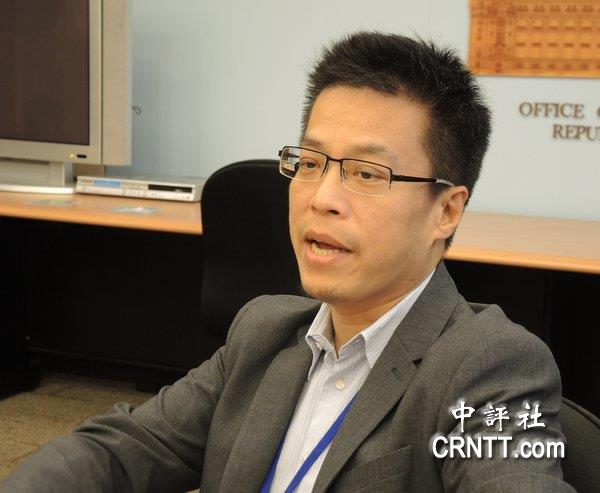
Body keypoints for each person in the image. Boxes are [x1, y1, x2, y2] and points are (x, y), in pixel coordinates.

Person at [1, 32, 573, 492]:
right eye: (311, 162)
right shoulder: (264, 331)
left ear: (446, 210)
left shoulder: (490, 368)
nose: (322, 197)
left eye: (366, 173)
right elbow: (121, 451)